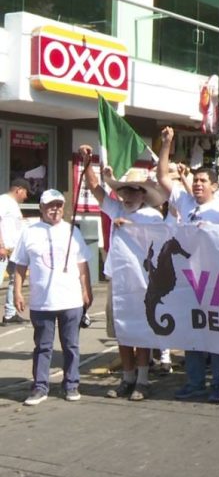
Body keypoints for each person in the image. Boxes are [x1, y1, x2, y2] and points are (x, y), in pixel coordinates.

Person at [80, 146, 166, 402]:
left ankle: (142, 379)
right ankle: (127, 378)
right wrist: (87, 162)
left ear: (142, 194)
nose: (127, 195)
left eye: (132, 191)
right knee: (121, 330)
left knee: (141, 330)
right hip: (118, 279)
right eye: (124, 191)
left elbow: (161, 240)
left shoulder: (152, 216)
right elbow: (95, 188)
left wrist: (132, 226)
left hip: (143, 281)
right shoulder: (116, 210)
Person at [157, 126, 219, 403]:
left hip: (214, 282)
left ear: (214, 186)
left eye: (203, 181)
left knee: (215, 335)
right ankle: (194, 381)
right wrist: (167, 144)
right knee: (192, 333)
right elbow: (163, 176)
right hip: (187, 280)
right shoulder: (186, 203)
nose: (198, 184)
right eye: (196, 180)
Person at [12, 189, 93, 405]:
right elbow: (20, 265)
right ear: (41, 208)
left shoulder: (72, 231)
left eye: (58, 205)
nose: (54, 209)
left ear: (64, 207)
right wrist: (17, 292)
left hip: (71, 300)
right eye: (50, 205)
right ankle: (40, 387)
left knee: (71, 345)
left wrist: (87, 289)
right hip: (41, 301)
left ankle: (72, 384)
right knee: (43, 347)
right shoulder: (29, 232)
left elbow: (82, 264)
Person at [1, 178, 30, 325]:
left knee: (15, 279)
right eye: (25, 193)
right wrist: (0, 245)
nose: (26, 197)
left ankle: (10, 314)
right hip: (3, 249)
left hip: (13, 250)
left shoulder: (13, 205)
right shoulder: (4, 201)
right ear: (19, 190)